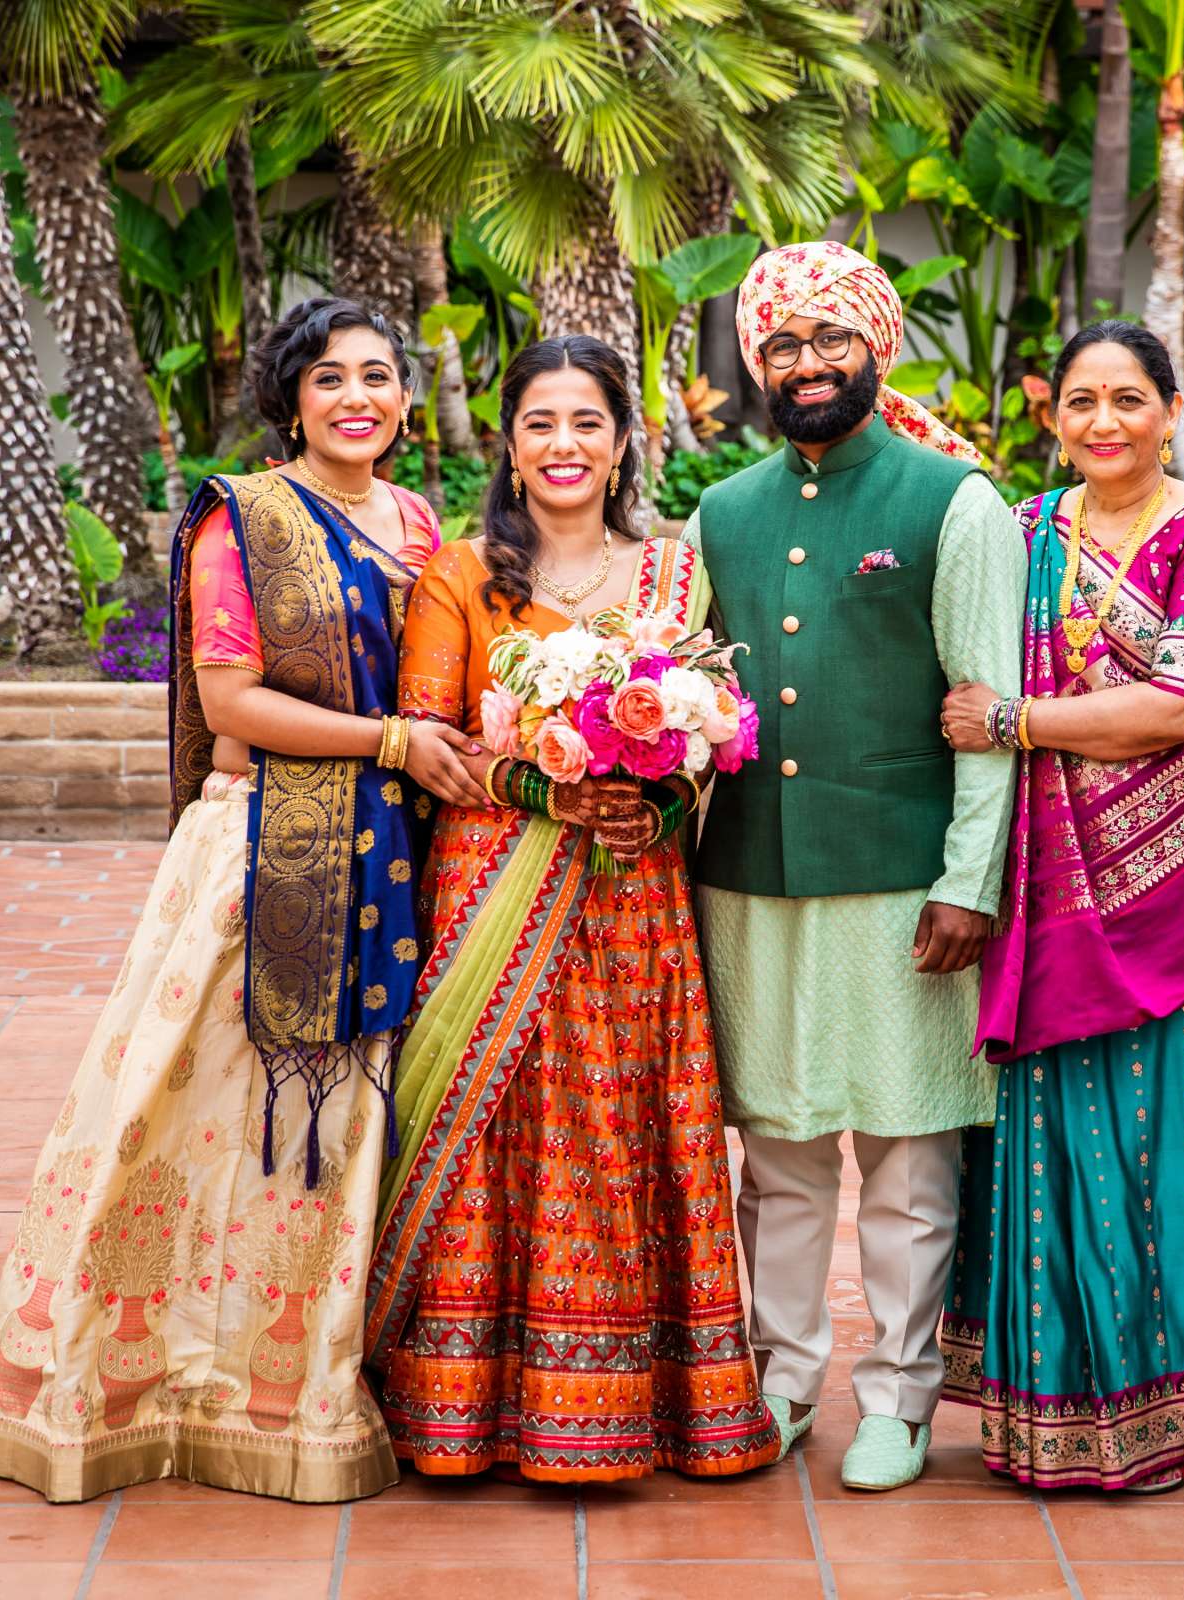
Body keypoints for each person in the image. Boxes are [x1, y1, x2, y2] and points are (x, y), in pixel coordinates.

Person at [0, 296, 446, 1503]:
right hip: (259, 858)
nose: (357, 398)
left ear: (405, 400)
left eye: (379, 377)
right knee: (194, 1116)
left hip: (385, 857)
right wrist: (393, 741)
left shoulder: (416, 522)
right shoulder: (240, 519)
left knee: (341, 1128)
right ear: (291, 396)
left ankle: (304, 1376)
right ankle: (170, 1382)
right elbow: (231, 702)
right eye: (330, 377)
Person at [356, 335, 777, 1485]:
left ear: (624, 439)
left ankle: (637, 1406)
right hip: (493, 882)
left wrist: (664, 795)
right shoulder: (460, 574)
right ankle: (463, 1409)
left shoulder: (671, 571)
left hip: (630, 898)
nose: (564, 446)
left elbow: (714, 728)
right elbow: (431, 740)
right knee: (492, 1130)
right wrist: (548, 781)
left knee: (618, 1129)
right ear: (508, 440)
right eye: (540, 422)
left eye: (587, 422)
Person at [686, 241, 1027, 1493]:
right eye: (781, 344)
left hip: (902, 880)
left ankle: (898, 1396)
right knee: (774, 1158)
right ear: (757, 362)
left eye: (831, 339)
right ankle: (781, 1384)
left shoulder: (954, 500)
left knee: (907, 1153)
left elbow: (986, 704)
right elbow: (695, 696)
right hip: (753, 880)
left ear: (875, 348)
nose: (807, 364)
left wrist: (969, 880)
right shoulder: (724, 510)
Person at [935, 320, 1184, 1495]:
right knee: (1050, 1150)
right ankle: (1047, 1419)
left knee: (1173, 1151)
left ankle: (1162, 1416)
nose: (1103, 422)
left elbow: (1181, 702)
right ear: (1053, 415)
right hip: (1051, 904)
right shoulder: (1028, 532)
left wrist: (1011, 722)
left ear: (1170, 410)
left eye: (1128, 398)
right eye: (1080, 400)